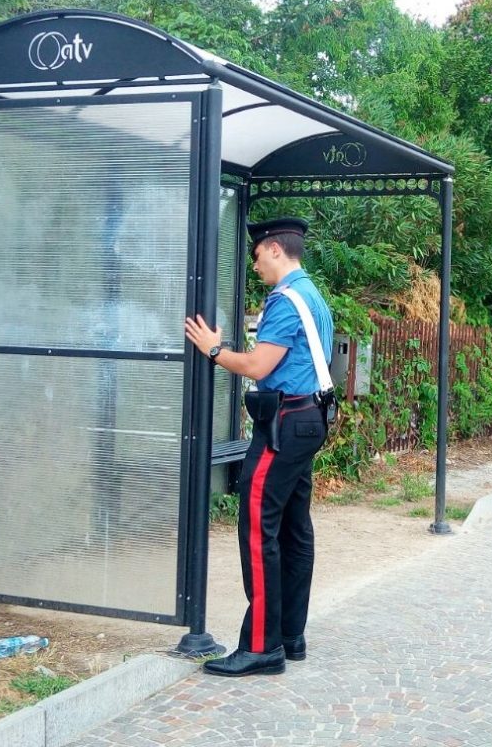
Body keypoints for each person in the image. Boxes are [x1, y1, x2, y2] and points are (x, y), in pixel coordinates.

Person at [184, 216, 333, 677]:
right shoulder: (311, 295)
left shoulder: (286, 300)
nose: (254, 265)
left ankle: (262, 646)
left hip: (285, 424)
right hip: (308, 418)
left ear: (273, 249)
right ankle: (289, 635)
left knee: (257, 525)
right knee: (293, 527)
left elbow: (256, 365)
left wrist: (213, 349)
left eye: (256, 256)